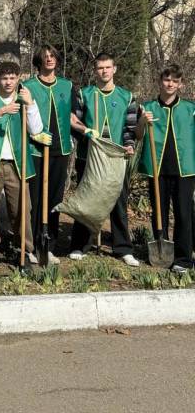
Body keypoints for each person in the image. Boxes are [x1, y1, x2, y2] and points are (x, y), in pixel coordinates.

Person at [69, 53, 140, 266]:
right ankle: (79, 245)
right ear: (95, 70)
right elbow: (74, 122)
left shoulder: (127, 97)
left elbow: (129, 129)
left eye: (108, 67)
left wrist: (129, 145)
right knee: (86, 200)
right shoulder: (85, 94)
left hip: (116, 157)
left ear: (114, 69)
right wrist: (85, 133)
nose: (104, 71)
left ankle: (123, 248)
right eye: (100, 68)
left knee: (119, 202)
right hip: (89, 156)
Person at [0, 61, 44, 267]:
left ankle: (24, 249)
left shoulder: (25, 101)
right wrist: (0, 111)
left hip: (18, 164)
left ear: (18, 79)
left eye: (12, 78)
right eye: (4, 78)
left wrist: (30, 104)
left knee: (22, 209)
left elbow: (36, 129)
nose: (8, 82)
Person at [23, 45, 79, 264]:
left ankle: (50, 244)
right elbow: (22, 116)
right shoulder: (28, 86)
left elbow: (73, 117)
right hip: (36, 150)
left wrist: (88, 132)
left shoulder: (67, 85)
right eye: (45, 57)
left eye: (52, 56)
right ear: (39, 60)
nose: (49, 59)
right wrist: (35, 135)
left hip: (60, 149)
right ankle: (34, 244)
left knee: (55, 199)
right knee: (36, 200)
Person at [137, 64, 195, 273]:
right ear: (160, 81)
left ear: (181, 84)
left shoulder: (190, 109)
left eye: (175, 81)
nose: (170, 84)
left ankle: (184, 258)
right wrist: (142, 122)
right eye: (167, 79)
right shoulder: (147, 107)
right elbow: (138, 135)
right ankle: (163, 252)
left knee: (184, 213)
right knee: (158, 212)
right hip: (157, 168)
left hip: (184, 168)